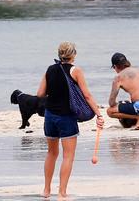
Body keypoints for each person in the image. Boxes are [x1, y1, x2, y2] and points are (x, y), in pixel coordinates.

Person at [36, 42, 104, 200]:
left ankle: (46, 190)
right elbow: (87, 95)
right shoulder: (76, 70)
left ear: (59, 54)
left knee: (51, 153)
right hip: (66, 117)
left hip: (50, 116)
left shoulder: (50, 69)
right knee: (68, 156)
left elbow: (40, 93)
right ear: (74, 55)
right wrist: (98, 115)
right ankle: (62, 192)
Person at [105, 52, 139, 130]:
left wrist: (118, 104)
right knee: (134, 102)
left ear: (115, 66)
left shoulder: (118, 78)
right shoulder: (138, 71)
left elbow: (111, 103)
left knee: (110, 111)